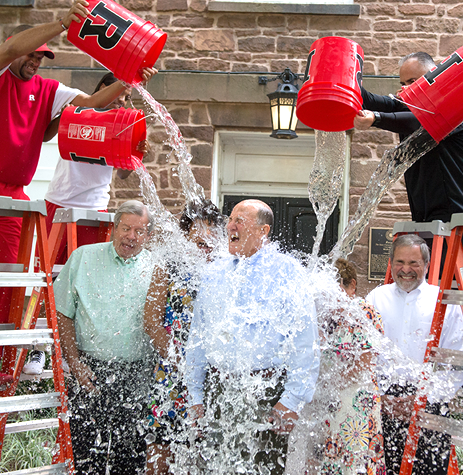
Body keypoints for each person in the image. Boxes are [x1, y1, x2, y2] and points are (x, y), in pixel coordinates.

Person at [0, 1, 135, 389]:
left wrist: (129, 79)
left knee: (10, 276)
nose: (36, 62)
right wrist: (62, 23)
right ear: (18, 47)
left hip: (11, 190)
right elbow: (9, 52)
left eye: (43, 58)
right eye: (33, 54)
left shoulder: (48, 90)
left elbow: (91, 103)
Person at [23, 70, 155, 376]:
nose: (119, 101)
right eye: (115, 94)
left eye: (124, 97)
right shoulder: (79, 115)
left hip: (95, 210)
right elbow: (58, 128)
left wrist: (136, 155)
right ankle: (37, 347)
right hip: (61, 202)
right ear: (101, 92)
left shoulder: (122, 127)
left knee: (86, 283)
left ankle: (69, 349)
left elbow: (121, 173)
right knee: (45, 280)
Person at [184, 199, 320, 475]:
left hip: (266, 394)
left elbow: (305, 340)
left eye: (240, 221)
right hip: (218, 391)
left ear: (263, 230)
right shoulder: (214, 273)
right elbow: (198, 337)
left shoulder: (287, 271)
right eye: (230, 219)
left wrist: (292, 399)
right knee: (212, 469)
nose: (230, 226)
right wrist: (195, 395)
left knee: (262, 470)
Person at [55, 200, 156, 475]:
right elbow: (62, 312)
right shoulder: (83, 258)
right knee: (86, 455)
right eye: (126, 228)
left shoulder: (157, 269)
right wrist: (74, 362)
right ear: (114, 228)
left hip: (138, 374)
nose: (131, 237)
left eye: (139, 231)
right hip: (89, 371)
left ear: (148, 236)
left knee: (131, 456)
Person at [366, 234, 463, 475]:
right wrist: (381, 398)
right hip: (384, 404)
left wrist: (423, 399)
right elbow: (365, 355)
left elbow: (454, 361)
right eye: (400, 262)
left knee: (431, 470)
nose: (406, 270)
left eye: (414, 263)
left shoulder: (444, 302)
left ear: (427, 265)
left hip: (430, 405)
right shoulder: (375, 299)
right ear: (391, 263)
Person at [353, 52, 463, 224]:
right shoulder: (409, 106)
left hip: (462, 214)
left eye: (413, 82)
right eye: (403, 84)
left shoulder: (455, 109)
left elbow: (421, 122)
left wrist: (376, 118)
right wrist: (345, 77)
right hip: (424, 214)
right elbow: (371, 100)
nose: (406, 89)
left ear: (434, 77)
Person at [143, 200, 226, 474]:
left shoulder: (224, 270)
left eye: (211, 233)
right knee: (162, 448)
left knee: (205, 455)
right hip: (172, 374)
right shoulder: (167, 267)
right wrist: (178, 360)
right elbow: (151, 321)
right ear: (186, 234)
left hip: (211, 377)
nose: (205, 240)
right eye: (198, 234)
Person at [287, 258, 386, 475]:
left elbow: (365, 360)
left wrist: (332, 384)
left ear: (351, 286)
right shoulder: (322, 315)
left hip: (354, 400)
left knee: (351, 457)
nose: (330, 297)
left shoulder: (363, 311)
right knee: (318, 456)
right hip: (326, 398)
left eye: (336, 289)